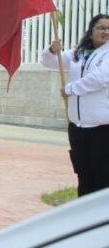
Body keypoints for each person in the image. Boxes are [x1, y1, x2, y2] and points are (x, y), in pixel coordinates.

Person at [42, 14, 109, 196]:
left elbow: (101, 78)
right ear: (91, 31)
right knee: (83, 175)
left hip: (102, 128)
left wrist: (71, 89)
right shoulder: (78, 54)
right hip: (78, 127)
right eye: (101, 28)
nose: (106, 32)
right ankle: (84, 210)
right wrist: (51, 50)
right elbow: (49, 62)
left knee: (103, 177)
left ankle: (102, 212)